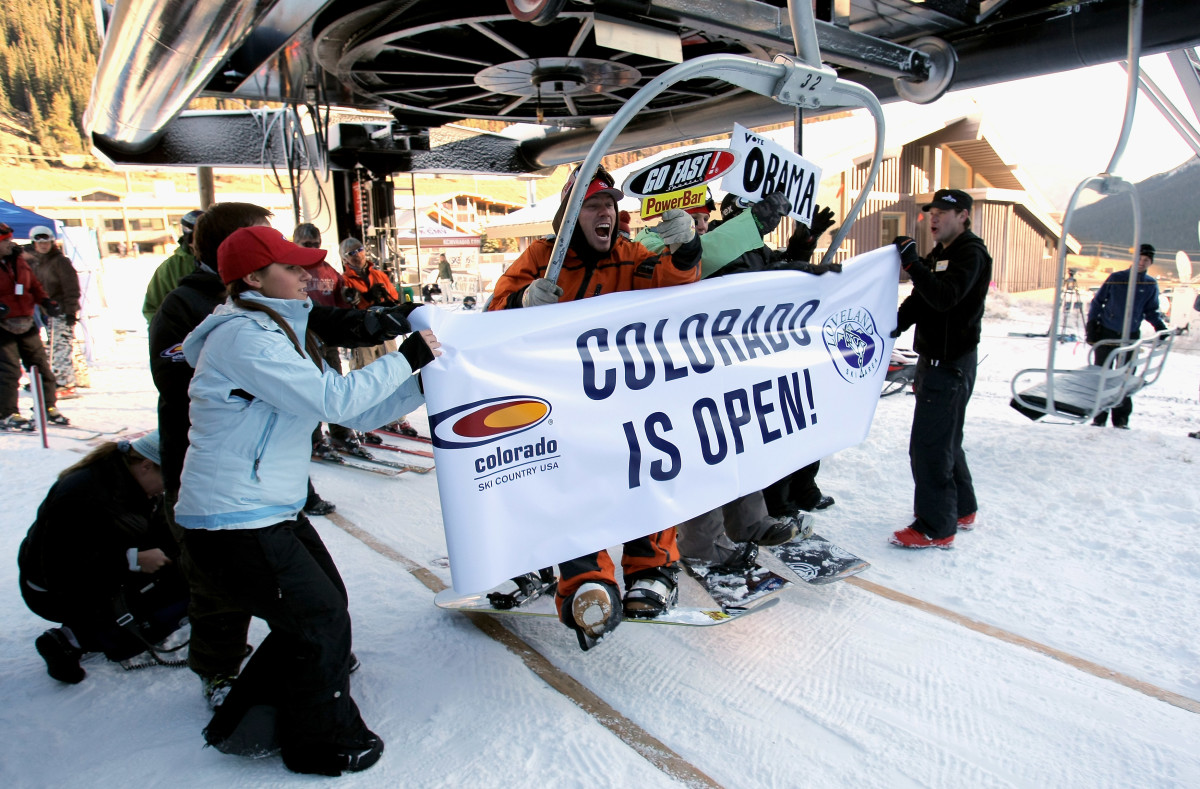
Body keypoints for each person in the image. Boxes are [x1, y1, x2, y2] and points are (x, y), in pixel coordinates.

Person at [173, 225, 439, 775]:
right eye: (292, 268)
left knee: (321, 611)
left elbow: (356, 413)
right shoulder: (242, 337)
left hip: (268, 509)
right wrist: (407, 356)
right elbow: (333, 399)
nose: (307, 275)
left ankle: (244, 723)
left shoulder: (281, 333)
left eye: (305, 266)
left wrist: (425, 384)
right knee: (317, 619)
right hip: (232, 519)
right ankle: (320, 743)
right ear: (252, 277)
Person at [488, 164, 702, 649]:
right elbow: (493, 311)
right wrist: (522, 301)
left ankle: (653, 569)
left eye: (609, 205)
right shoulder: (541, 258)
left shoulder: (630, 255)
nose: (605, 214)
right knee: (564, 488)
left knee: (652, 470)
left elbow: (674, 284)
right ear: (569, 216)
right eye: (593, 207)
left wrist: (687, 249)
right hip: (558, 405)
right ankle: (585, 579)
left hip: (626, 402)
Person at [18, 430, 188, 684]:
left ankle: (97, 627)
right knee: (180, 592)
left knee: (187, 568)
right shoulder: (83, 495)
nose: (167, 488)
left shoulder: (125, 479)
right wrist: (133, 559)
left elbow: (157, 529)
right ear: (145, 466)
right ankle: (73, 639)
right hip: (53, 592)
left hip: (89, 571)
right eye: (167, 480)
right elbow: (59, 568)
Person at [888, 188, 992, 549]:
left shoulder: (970, 253)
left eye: (942, 213)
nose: (933, 218)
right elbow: (921, 298)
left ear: (963, 215)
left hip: (951, 364)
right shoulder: (942, 253)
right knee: (946, 440)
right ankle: (962, 508)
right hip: (936, 362)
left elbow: (945, 298)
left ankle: (936, 526)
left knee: (929, 446)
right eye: (931, 212)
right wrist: (892, 325)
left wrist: (914, 265)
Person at [292, 223, 354, 490]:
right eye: (306, 244)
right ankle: (314, 436)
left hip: (328, 340)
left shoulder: (328, 270)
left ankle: (339, 431)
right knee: (312, 390)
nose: (313, 248)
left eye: (316, 243)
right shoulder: (290, 270)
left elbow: (341, 303)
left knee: (336, 386)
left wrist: (350, 300)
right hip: (303, 340)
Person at [1085, 243, 1168, 429]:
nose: (1142, 262)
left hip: (1130, 336)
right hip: (1107, 333)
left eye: (1146, 260)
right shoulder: (1117, 278)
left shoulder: (1150, 284)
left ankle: (1121, 420)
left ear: (1150, 263)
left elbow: (1151, 310)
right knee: (1102, 375)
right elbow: (1098, 303)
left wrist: (1159, 326)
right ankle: (1099, 417)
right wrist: (1091, 326)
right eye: (1139, 258)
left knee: (1125, 377)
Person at [0, 222, 68, 429]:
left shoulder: (17, 260)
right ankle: (7, 413)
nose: (10, 243)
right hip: (2, 326)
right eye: (5, 241)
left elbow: (33, 285)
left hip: (26, 321)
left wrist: (45, 301)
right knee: (9, 371)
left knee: (41, 368)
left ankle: (47, 406)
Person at [27, 225, 86, 396]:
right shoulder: (36, 262)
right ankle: (53, 379)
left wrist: (70, 311)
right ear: (34, 243)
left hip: (62, 309)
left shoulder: (60, 261)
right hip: (45, 311)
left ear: (52, 242)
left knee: (61, 347)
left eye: (47, 242)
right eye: (40, 242)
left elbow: (71, 288)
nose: (43, 245)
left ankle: (65, 384)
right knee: (52, 347)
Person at [142, 209, 204, 323]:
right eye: (201, 234)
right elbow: (152, 308)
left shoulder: (226, 260)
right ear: (189, 238)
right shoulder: (169, 268)